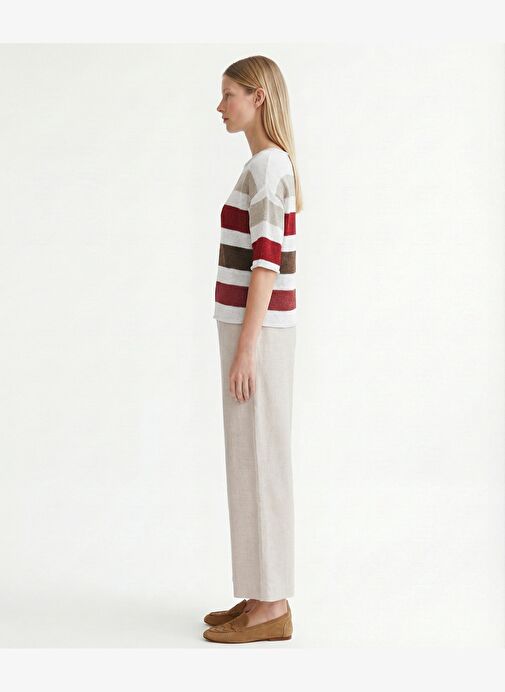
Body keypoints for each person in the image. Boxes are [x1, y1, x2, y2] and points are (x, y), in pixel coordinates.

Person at [203, 55, 303, 644]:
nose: (220, 107)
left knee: (262, 460)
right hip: (250, 329)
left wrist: (247, 348)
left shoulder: (269, 166)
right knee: (248, 460)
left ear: (257, 97)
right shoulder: (264, 164)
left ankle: (273, 605)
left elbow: (266, 264)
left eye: (229, 94)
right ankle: (260, 593)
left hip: (256, 331)